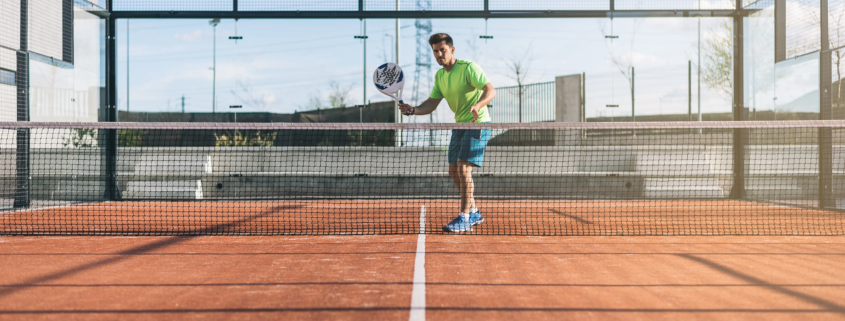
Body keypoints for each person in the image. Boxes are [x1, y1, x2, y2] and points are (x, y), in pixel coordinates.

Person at [398, 33, 496, 233]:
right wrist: (414, 109)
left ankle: (465, 217)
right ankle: (475, 211)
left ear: (452, 49)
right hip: (460, 125)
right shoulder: (440, 76)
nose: (439, 54)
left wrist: (478, 105)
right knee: (453, 170)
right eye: (435, 51)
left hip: (478, 123)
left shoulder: (468, 68)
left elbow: (490, 90)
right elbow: (432, 103)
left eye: (443, 50)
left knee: (463, 169)